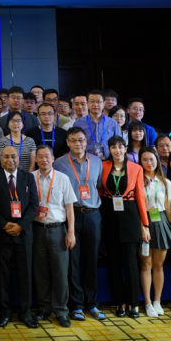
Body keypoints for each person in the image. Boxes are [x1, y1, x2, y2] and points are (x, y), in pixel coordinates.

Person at [53, 127, 105, 321]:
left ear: (86, 141)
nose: (78, 143)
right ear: (67, 142)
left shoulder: (97, 161)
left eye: (81, 140)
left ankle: (92, 304)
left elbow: (98, 186)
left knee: (91, 261)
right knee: (72, 262)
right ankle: (76, 305)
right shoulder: (59, 163)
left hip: (93, 215)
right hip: (71, 214)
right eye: (73, 140)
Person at [0, 145, 40, 328]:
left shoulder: (28, 177)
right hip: (2, 234)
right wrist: (4, 224)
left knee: (25, 275)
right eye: (6, 157)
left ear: (18, 158)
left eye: (13, 156)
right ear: (0, 159)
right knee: (2, 275)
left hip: (23, 234)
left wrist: (21, 226)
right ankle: (5, 311)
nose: (10, 160)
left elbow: (34, 204)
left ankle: (25, 312)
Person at [99, 137, 149, 318]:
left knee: (130, 262)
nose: (117, 150)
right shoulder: (103, 166)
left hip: (129, 215)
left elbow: (140, 197)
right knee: (113, 262)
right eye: (113, 147)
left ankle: (134, 303)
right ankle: (120, 302)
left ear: (126, 148)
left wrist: (145, 224)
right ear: (109, 149)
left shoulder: (136, 168)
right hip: (108, 215)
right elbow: (99, 191)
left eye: (120, 147)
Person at [31, 145, 76, 326]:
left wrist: (71, 232)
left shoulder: (62, 178)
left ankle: (61, 310)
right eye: (40, 156)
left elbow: (69, 207)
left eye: (47, 156)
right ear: (36, 159)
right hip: (36, 230)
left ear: (53, 158)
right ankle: (44, 308)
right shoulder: (30, 178)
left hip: (58, 229)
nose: (44, 159)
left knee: (60, 272)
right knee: (40, 272)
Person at [137, 149, 171, 318]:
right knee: (146, 264)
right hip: (143, 221)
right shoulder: (137, 180)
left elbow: (167, 207)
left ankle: (157, 301)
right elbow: (137, 206)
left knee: (159, 265)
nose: (149, 163)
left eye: (151, 159)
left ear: (157, 160)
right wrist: (142, 227)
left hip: (160, 221)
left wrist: (170, 227)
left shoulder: (165, 182)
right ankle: (147, 302)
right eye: (145, 159)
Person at [79, 90, 119, 160]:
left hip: (109, 161)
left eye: (98, 101)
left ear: (104, 103)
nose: (95, 104)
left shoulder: (112, 123)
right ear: (87, 103)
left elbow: (118, 142)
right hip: (87, 161)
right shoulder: (79, 123)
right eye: (92, 101)